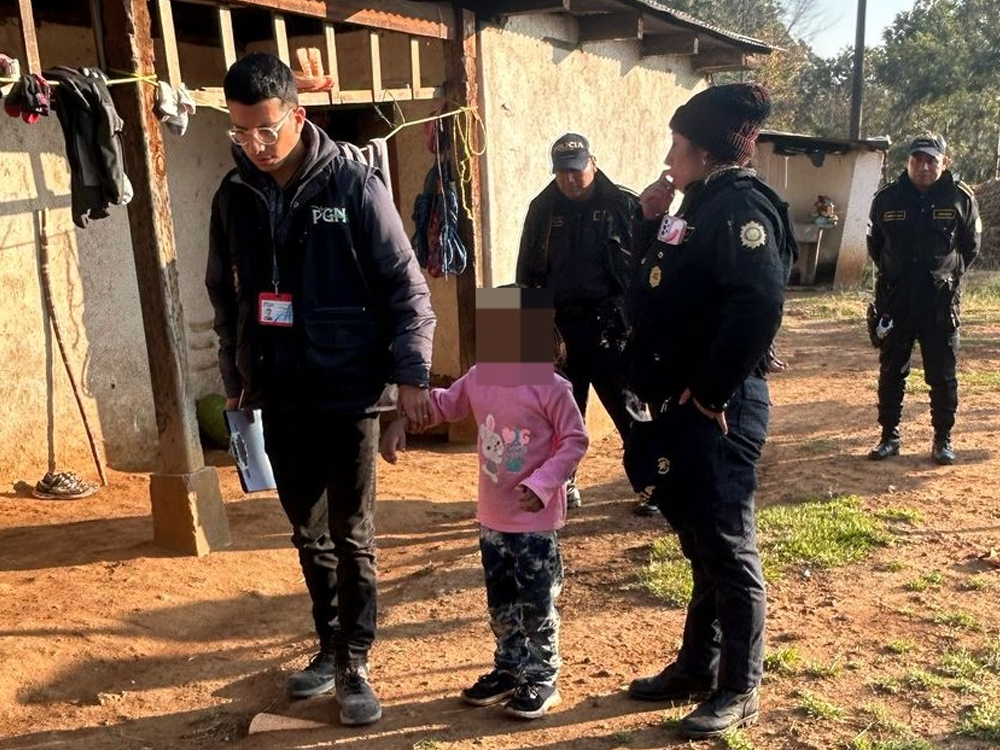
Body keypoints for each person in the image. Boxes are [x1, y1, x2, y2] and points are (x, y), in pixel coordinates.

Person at [205, 52, 435, 726]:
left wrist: (412, 376)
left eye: (265, 129)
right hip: (280, 390)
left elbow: (407, 288)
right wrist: (237, 381)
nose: (254, 144)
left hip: (349, 390)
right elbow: (225, 298)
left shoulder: (354, 185)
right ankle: (330, 647)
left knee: (352, 533)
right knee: (308, 535)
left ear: (297, 115)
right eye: (240, 131)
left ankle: (356, 661)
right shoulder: (234, 195)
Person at [623, 83, 795, 739]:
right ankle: (698, 665)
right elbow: (658, 289)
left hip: (721, 408)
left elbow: (759, 304)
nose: (668, 156)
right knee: (700, 543)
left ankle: (739, 687)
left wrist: (712, 394)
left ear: (702, 150)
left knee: (727, 548)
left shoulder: (742, 207)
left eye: (676, 144)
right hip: (685, 403)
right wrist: (648, 220)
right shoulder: (697, 204)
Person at [380, 287, 589, 719]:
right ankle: (510, 669)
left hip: (534, 521)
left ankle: (542, 677)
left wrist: (544, 483)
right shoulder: (480, 377)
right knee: (501, 601)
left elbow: (575, 440)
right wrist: (402, 422)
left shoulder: (552, 387)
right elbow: (442, 405)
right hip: (493, 520)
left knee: (537, 601)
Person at [515, 134, 654, 514]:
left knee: (629, 410)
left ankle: (651, 484)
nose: (570, 180)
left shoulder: (624, 204)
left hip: (612, 329)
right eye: (561, 173)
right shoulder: (541, 209)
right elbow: (525, 274)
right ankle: (563, 484)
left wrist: (644, 327)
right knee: (557, 416)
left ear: (593, 162)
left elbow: (645, 272)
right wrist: (520, 350)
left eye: (576, 171)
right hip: (557, 330)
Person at [867, 134, 980, 465]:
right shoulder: (887, 198)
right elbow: (875, 245)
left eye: (931, 160)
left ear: (944, 162)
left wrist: (945, 276)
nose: (924, 166)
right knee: (892, 371)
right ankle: (889, 437)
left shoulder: (960, 198)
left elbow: (970, 248)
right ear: (908, 162)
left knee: (942, 375)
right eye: (917, 159)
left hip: (939, 304)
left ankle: (942, 439)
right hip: (896, 301)